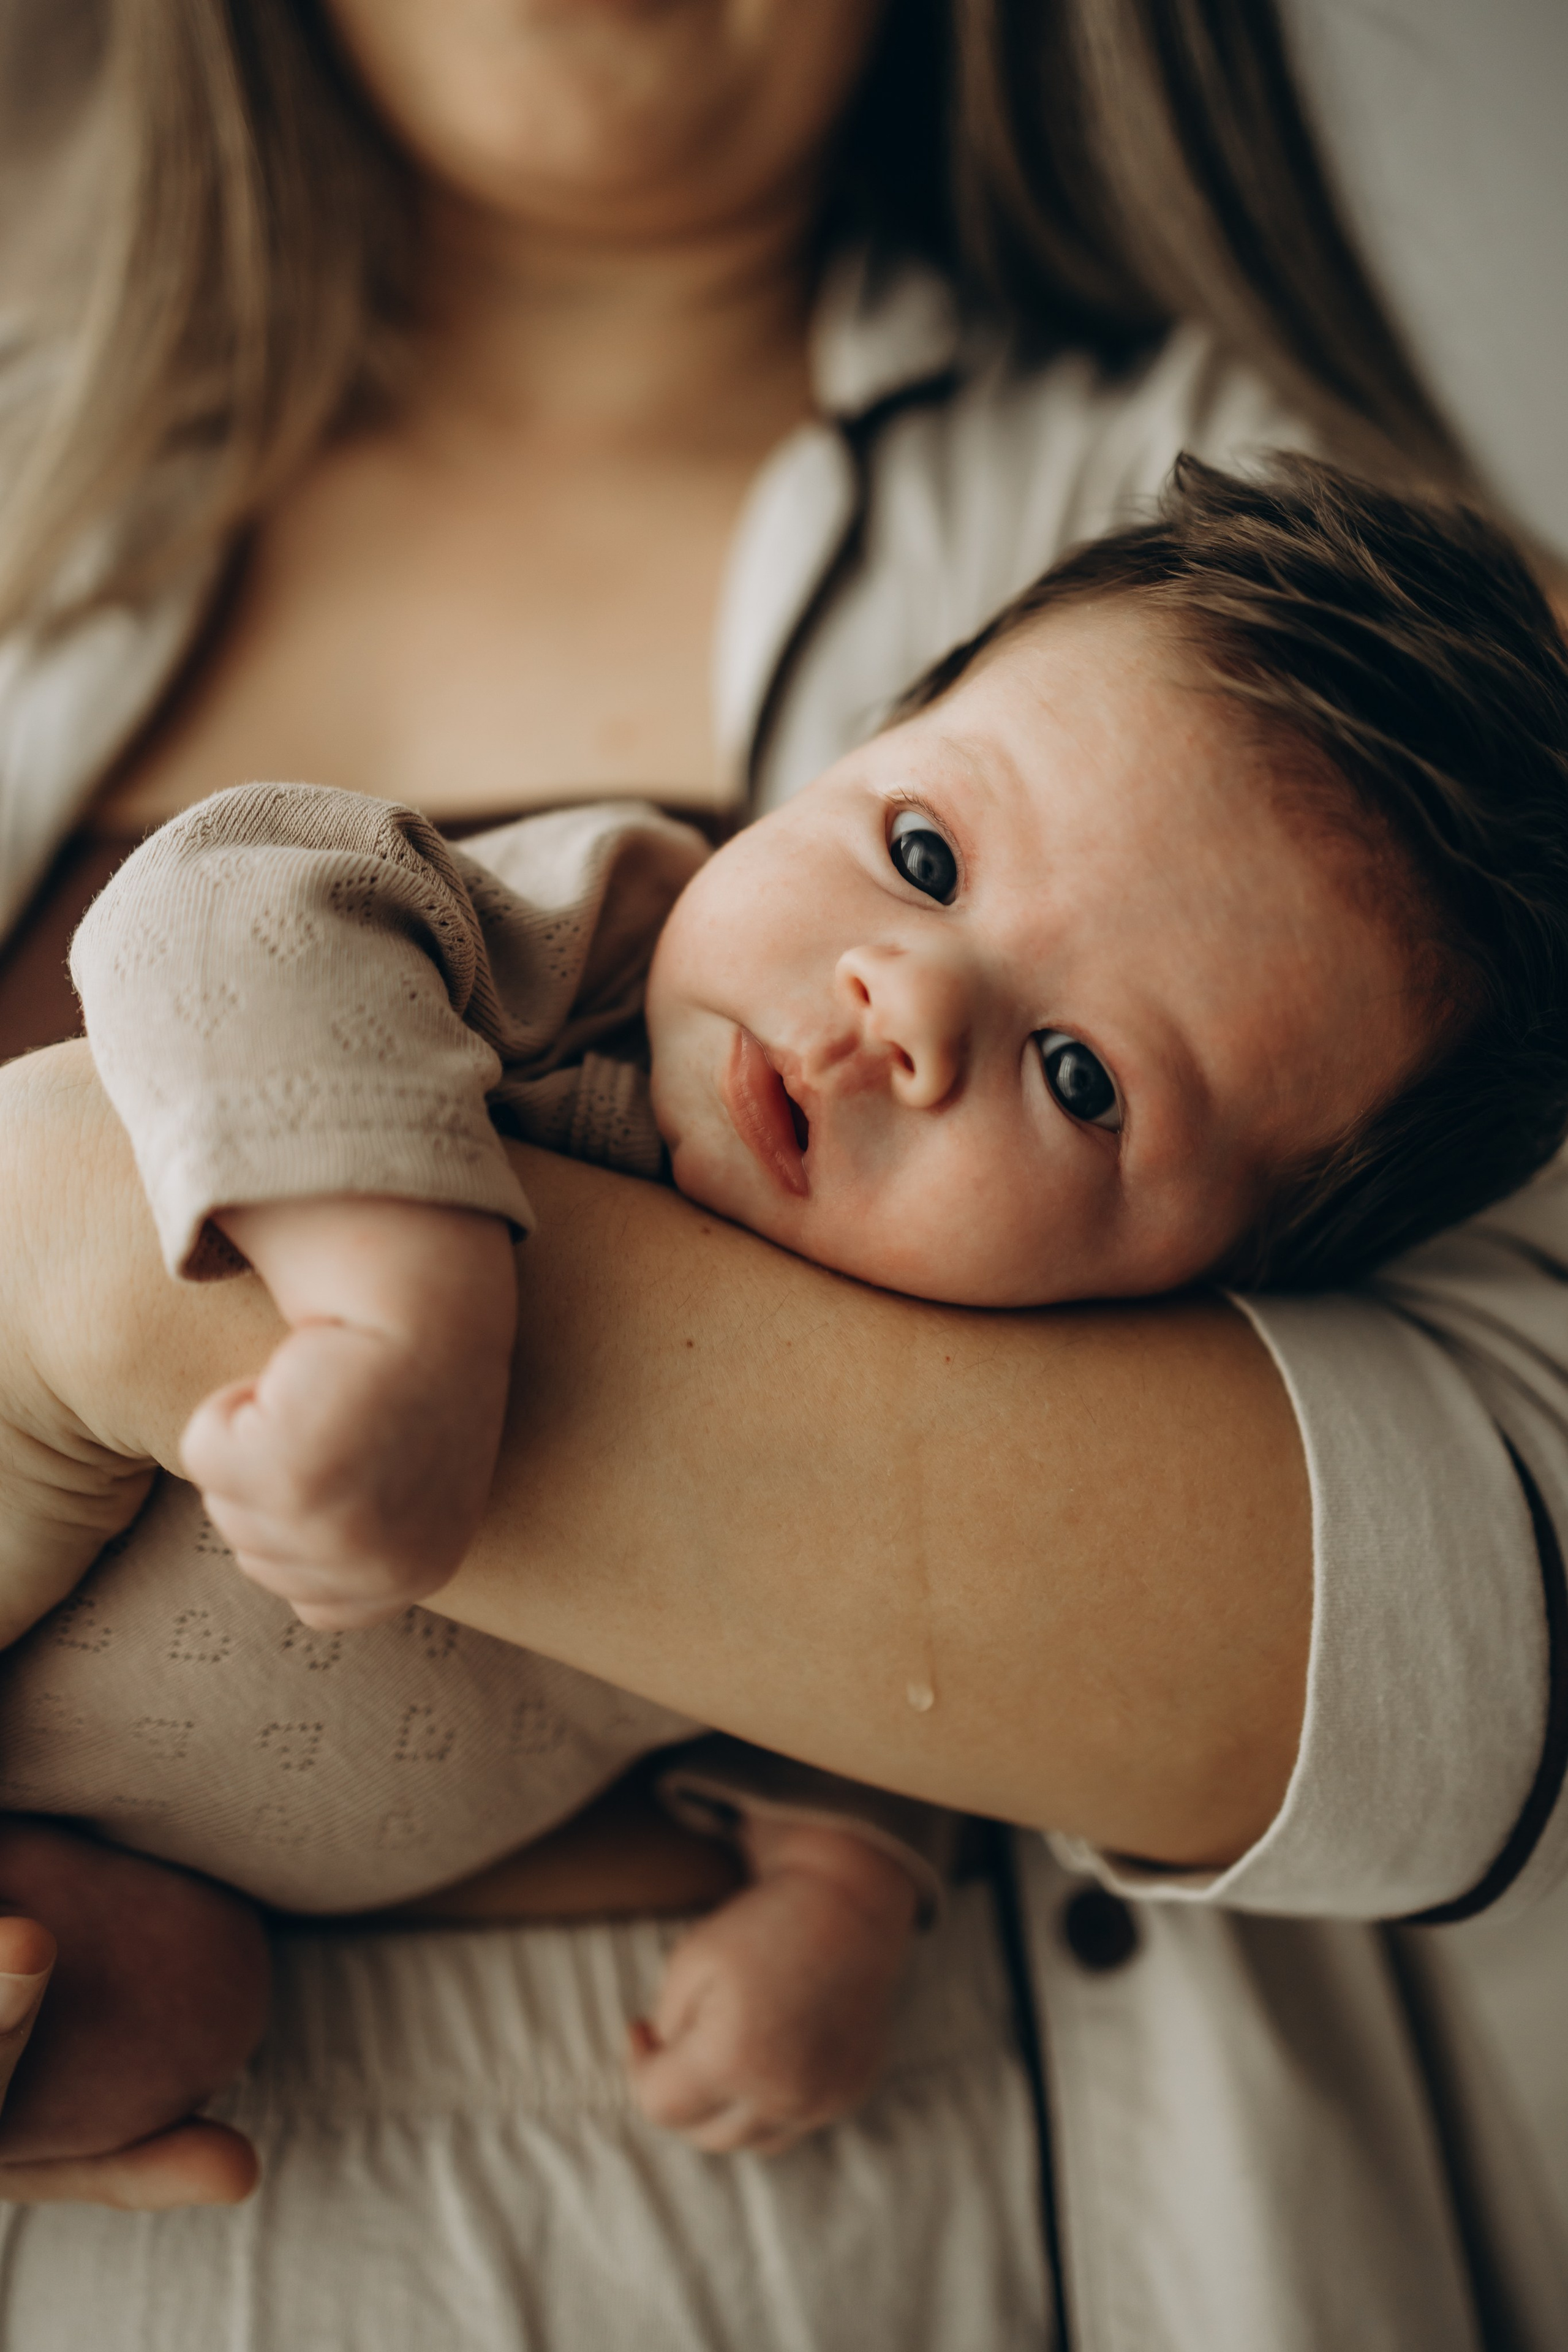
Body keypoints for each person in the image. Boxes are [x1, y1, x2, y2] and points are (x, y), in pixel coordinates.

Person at [0, 2, 1564, 2346]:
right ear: (871, 744)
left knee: (151, 2001)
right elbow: (234, 908)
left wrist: (843, 1884)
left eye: (1082, 1079)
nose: (907, 1007)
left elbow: (1488, 1586)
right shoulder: (554, 906)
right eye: (918, 853)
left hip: (821, 2230)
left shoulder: (1326, 611)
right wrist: (394, 1289)